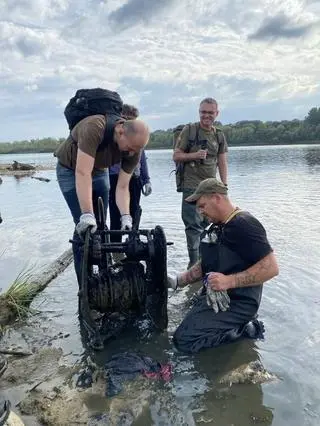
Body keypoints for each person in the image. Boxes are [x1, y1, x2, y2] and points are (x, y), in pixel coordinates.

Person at [168, 178, 279, 354]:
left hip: (239, 303)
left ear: (217, 198)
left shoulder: (245, 225)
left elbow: (271, 268)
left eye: (202, 205)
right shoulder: (218, 226)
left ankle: (247, 330)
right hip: (215, 296)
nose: (200, 211)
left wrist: (228, 281)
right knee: (180, 319)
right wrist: (177, 281)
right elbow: (205, 264)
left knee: (183, 341)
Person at [55, 114, 150, 284]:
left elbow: (122, 187)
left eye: (136, 150)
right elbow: (82, 172)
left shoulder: (135, 148)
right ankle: (84, 285)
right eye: (130, 148)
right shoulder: (94, 127)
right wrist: (86, 214)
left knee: (101, 226)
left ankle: (106, 277)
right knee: (84, 227)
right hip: (70, 169)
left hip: (99, 169)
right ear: (121, 131)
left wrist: (125, 216)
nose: (132, 153)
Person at [173, 98, 228, 268]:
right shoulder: (190, 130)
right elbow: (176, 155)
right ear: (199, 112)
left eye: (210, 112)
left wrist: (224, 187)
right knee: (193, 226)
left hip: (211, 187)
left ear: (216, 114)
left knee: (209, 224)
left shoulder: (219, 134)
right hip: (191, 186)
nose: (206, 115)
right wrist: (194, 155)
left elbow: (222, 162)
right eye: (203, 112)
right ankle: (194, 264)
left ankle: (207, 261)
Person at [109, 104, 152, 243]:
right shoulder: (116, 136)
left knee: (134, 211)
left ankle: (133, 244)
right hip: (114, 177)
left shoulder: (137, 139)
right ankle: (115, 246)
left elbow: (142, 160)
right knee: (115, 213)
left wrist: (146, 180)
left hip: (134, 178)